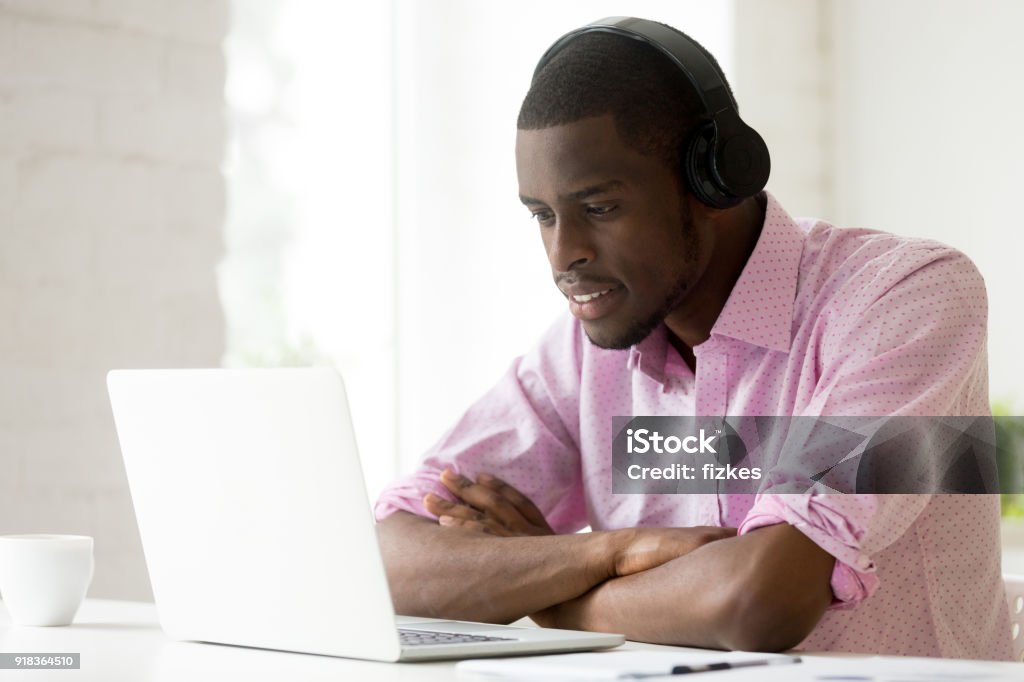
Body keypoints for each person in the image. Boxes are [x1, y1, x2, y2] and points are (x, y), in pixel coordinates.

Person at [373, 18, 1012, 658]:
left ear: (714, 180)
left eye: (599, 208)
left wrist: (540, 590)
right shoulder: (580, 355)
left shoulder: (908, 297)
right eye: (543, 216)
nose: (563, 254)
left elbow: (759, 604)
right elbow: (388, 562)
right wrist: (608, 552)